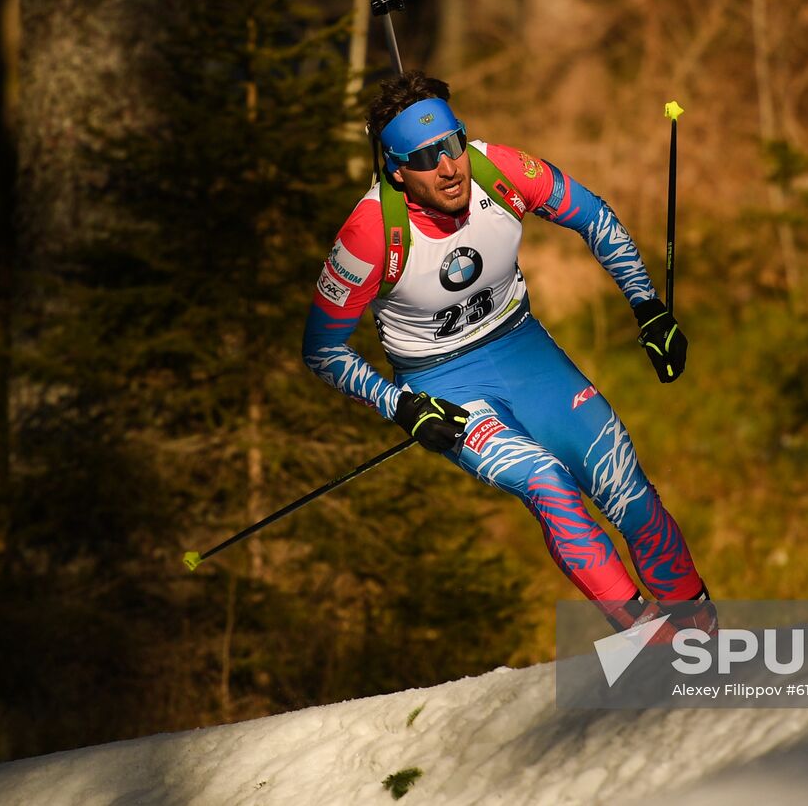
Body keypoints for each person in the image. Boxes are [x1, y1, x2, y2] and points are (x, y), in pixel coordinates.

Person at [302, 70, 714, 633]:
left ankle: (702, 628)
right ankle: (647, 641)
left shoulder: (502, 170)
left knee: (626, 486)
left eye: (452, 145)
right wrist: (399, 404)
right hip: (441, 385)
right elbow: (322, 349)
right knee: (546, 482)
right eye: (426, 158)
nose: (449, 167)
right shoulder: (371, 234)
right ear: (397, 171)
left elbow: (593, 215)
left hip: (525, 352)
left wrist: (648, 308)